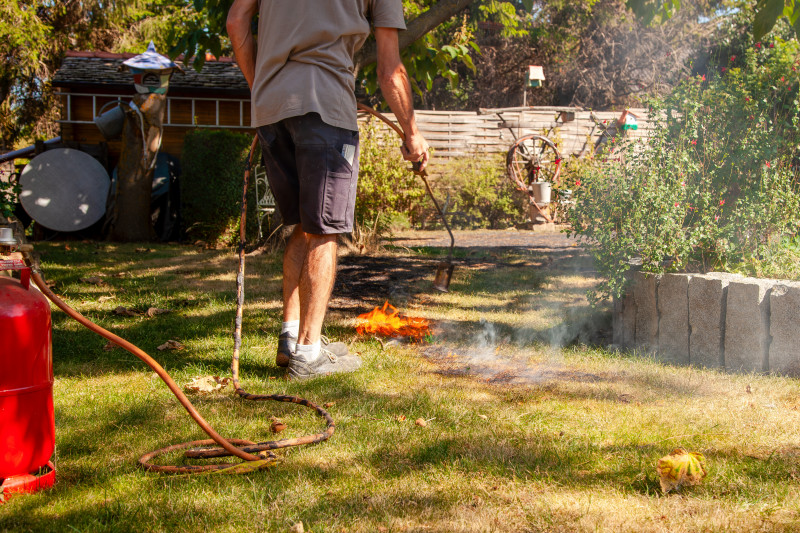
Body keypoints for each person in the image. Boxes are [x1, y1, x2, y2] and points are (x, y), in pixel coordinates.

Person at [227, 0, 429, 380]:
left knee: (304, 225)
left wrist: (264, 89)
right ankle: (308, 352)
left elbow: (236, 21)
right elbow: (391, 69)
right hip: (324, 107)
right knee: (324, 230)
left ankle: (290, 340)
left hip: (272, 108)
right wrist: (412, 133)